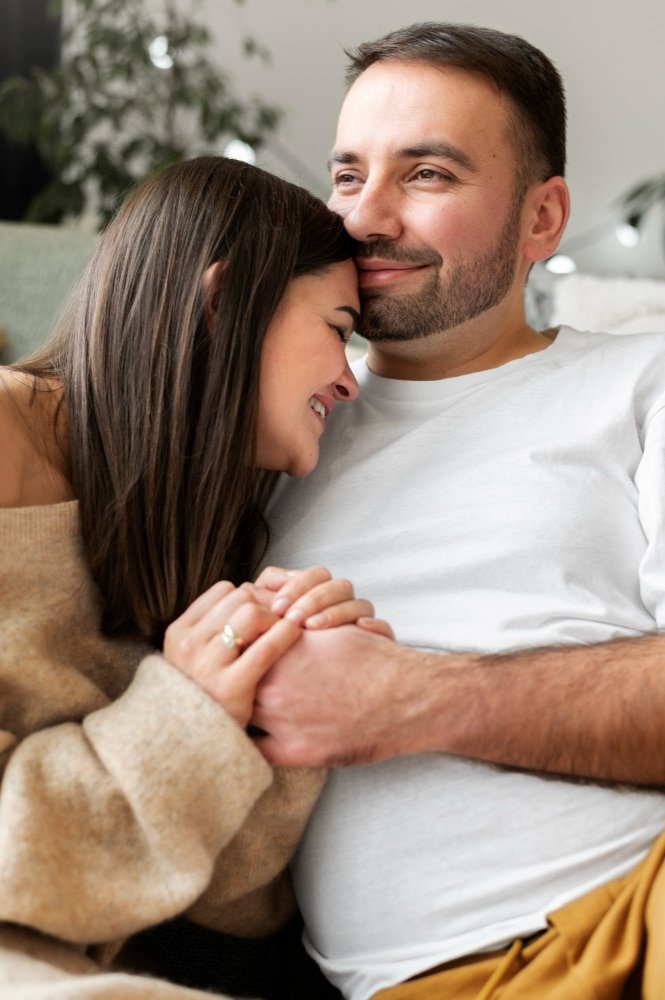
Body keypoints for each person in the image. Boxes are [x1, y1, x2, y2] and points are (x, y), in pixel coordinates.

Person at [241, 21, 665, 1000]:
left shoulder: (640, 383)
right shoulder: (270, 421)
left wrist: (410, 699)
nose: (364, 217)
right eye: (347, 176)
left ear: (540, 218)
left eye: (425, 174)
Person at [0, 155, 392, 998]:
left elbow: (225, 908)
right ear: (221, 304)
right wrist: (185, 710)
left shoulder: (203, 528)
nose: (348, 381)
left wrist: (284, 709)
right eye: (336, 327)